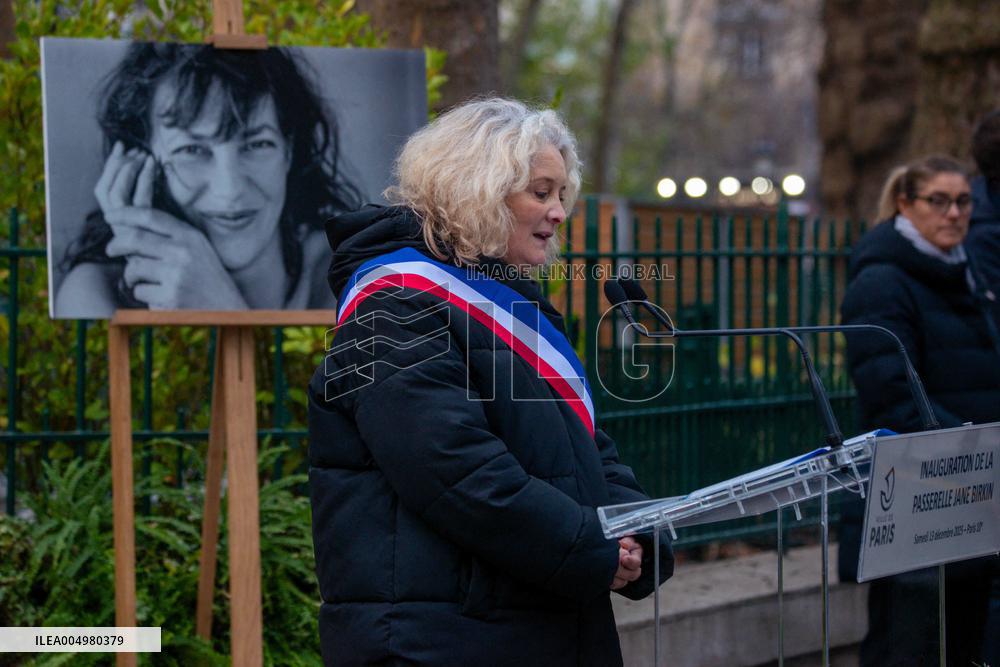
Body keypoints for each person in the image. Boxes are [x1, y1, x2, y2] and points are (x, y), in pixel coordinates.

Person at [308, 98, 673, 665]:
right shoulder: (394, 307)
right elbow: (456, 470)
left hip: (532, 625)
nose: (557, 213)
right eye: (540, 192)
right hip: (440, 640)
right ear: (477, 189)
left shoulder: (513, 305)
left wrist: (640, 535)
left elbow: (587, 451)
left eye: (561, 195)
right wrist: (591, 549)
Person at [54, 42, 360, 316]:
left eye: (257, 144)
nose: (231, 190)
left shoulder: (348, 276)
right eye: (192, 150)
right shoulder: (96, 294)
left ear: (288, 152)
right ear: (140, 163)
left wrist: (224, 308)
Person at [838, 155, 1000, 666]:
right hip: (913, 499)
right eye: (939, 201)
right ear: (906, 204)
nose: (954, 213)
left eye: (963, 201)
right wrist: (979, 450)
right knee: (907, 645)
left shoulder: (965, 273)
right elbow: (894, 397)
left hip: (972, 494)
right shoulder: (881, 281)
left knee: (963, 641)